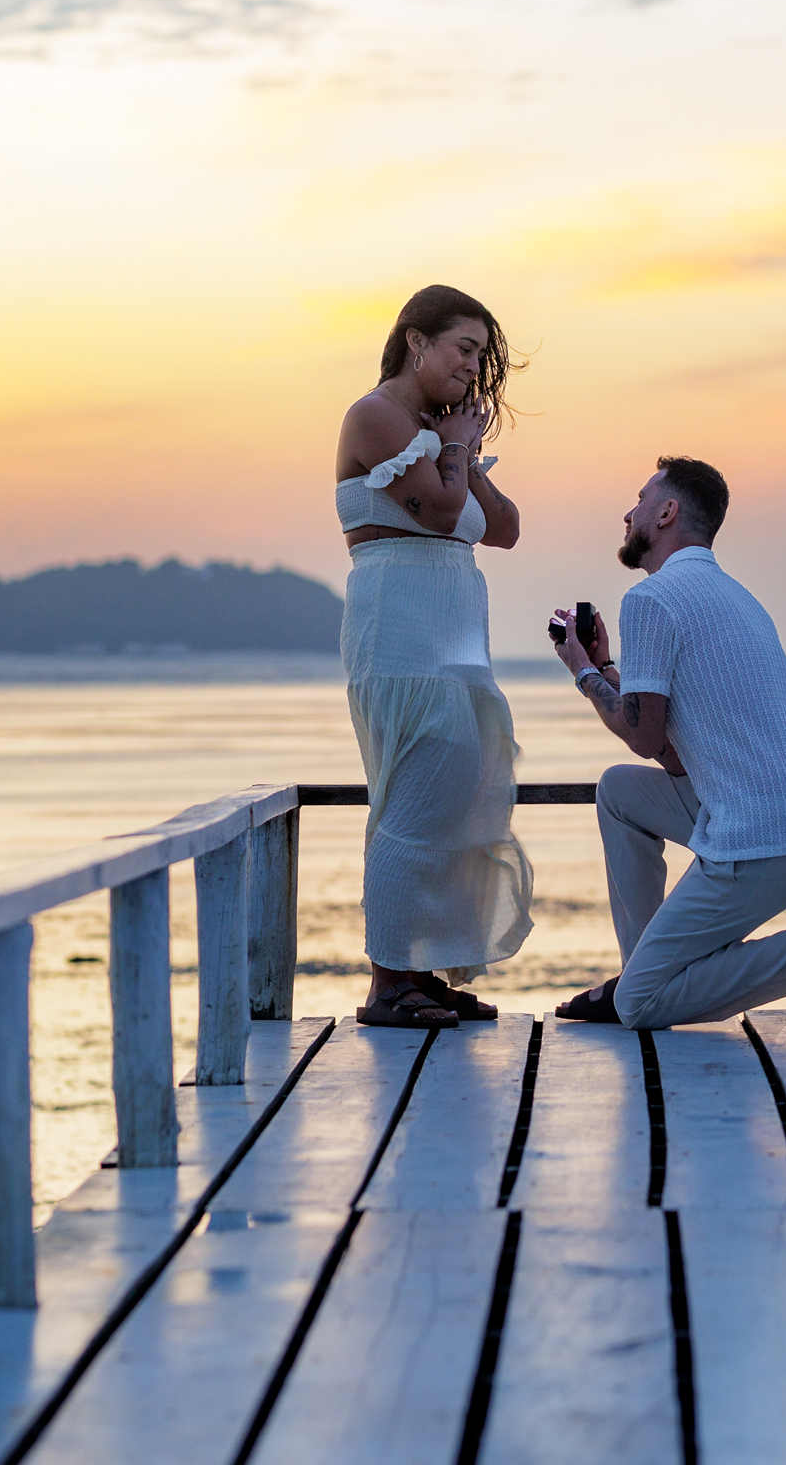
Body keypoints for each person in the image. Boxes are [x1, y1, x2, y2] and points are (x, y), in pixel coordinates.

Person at [548, 457, 786, 1032]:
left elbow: (644, 736)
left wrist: (582, 672)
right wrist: (606, 667)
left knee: (640, 1008)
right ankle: (640, 970)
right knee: (619, 792)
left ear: (668, 512)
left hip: (759, 840)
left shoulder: (651, 601)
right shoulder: (738, 598)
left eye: (642, 498)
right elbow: (671, 753)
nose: (628, 512)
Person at [335, 285, 534, 1028]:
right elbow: (447, 512)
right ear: (416, 342)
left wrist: (465, 449)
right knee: (412, 801)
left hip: (456, 639)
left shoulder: (440, 434)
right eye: (463, 349)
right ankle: (389, 982)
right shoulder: (376, 416)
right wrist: (456, 447)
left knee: (458, 793)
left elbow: (505, 528)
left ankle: (424, 966)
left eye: (480, 355)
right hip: (402, 631)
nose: (472, 367)